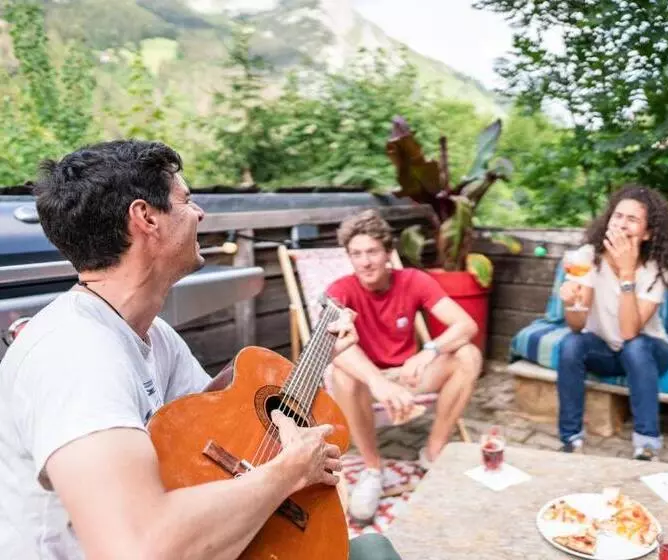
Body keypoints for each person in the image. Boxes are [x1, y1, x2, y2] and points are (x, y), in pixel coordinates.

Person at [0, 140, 401, 560]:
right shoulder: (75, 357)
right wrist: (288, 471)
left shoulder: (152, 334)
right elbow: (137, 549)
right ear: (146, 218)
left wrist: (318, 362)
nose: (199, 214)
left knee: (373, 548)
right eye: (186, 201)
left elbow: (228, 437)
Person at [327, 210, 482, 523]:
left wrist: (429, 351)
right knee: (338, 371)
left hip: (410, 374)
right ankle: (372, 469)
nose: (365, 262)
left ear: (388, 254)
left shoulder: (413, 280)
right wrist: (377, 382)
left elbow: (466, 325)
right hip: (367, 381)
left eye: (372, 251)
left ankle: (433, 452)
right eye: (356, 254)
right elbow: (334, 346)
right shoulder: (340, 290)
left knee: (468, 355)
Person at [556, 184, 668, 462]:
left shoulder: (655, 270)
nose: (621, 224)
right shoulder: (589, 257)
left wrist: (627, 272)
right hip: (604, 350)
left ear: (648, 233)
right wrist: (570, 301)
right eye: (618, 216)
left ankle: (647, 444)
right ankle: (570, 440)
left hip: (650, 352)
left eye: (632, 219)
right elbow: (577, 324)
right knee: (570, 344)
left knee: (635, 347)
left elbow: (629, 332)